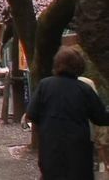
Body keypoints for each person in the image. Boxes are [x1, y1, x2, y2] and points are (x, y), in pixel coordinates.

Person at [25, 46, 109, 180]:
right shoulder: (84, 89)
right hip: (78, 148)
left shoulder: (45, 85)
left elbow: (32, 114)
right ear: (79, 66)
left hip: (50, 146)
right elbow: (101, 118)